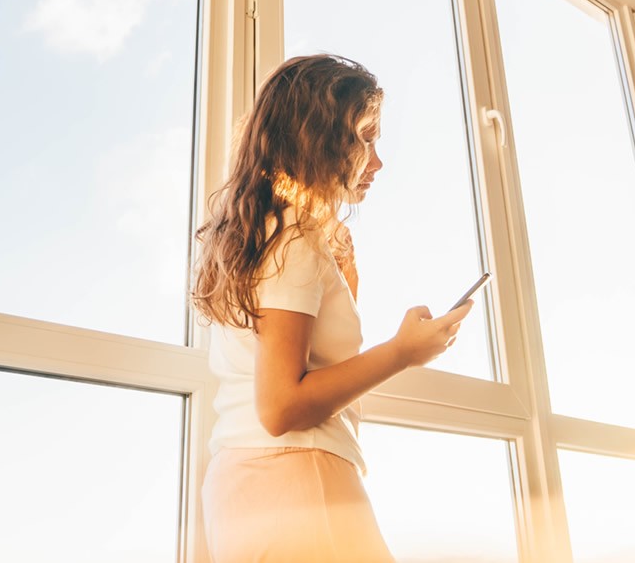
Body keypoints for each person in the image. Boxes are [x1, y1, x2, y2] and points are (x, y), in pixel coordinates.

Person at [193, 54, 474, 563]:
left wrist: (344, 282)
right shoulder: (294, 240)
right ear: (317, 138)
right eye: (366, 138)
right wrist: (403, 352)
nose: (377, 161)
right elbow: (281, 407)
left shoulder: (273, 234)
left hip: (251, 485)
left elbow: (304, 370)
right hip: (295, 480)